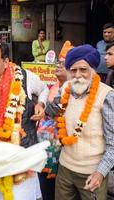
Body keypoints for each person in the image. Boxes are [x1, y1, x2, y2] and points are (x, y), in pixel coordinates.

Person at [0, 39, 48, 200]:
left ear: (6, 62)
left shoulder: (24, 77)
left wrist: (41, 104)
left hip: (23, 160)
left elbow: (44, 89)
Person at [45, 44, 114, 200]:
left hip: (92, 173)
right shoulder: (67, 88)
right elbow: (51, 111)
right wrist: (50, 99)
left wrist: (100, 173)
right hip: (64, 168)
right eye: (73, 70)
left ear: (93, 70)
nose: (78, 75)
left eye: (83, 69)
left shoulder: (106, 95)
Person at [38, 41, 71, 200]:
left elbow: (52, 110)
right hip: (45, 151)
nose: (58, 65)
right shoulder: (52, 86)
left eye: (63, 63)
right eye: (58, 61)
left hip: (61, 153)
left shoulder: (72, 88)